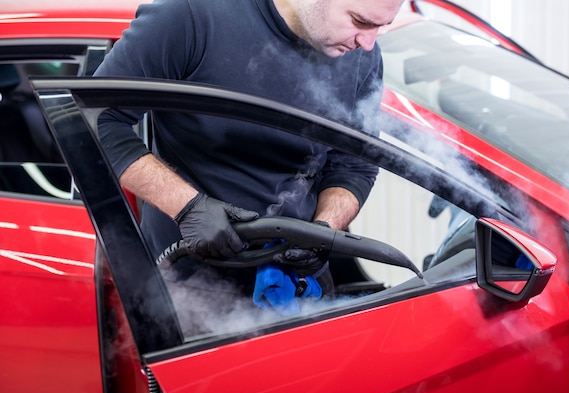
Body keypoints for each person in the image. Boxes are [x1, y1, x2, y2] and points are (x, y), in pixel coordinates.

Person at [94, 0, 405, 325]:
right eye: (360, 21)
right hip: (194, 289)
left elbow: (354, 164)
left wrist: (324, 230)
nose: (368, 43)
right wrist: (188, 207)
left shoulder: (363, 56)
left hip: (301, 285)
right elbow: (96, 122)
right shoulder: (190, 16)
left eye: (380, 27)